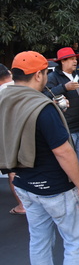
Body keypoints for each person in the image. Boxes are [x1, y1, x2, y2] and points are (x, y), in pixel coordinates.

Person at [0, 51, 79, 265]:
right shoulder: (42, 106)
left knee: (39, 241)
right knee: (76, 241)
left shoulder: (4, 100)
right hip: (55, 187)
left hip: (22, 183)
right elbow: (63, 151)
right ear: (40, 74)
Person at [44, 47, 79, 185]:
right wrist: (64, 87)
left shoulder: (77, 76)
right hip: (67, 128)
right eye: (71, 59)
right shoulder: (53, 77)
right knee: (69, 163)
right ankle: (70, 189)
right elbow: (45, 95)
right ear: (62, 62)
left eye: (75, 58)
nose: (75, 61)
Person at [0, 64, 25, 215]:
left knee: (12, 172)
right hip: (29, 138)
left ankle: (22, 205)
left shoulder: (2, 93)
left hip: (8, 140)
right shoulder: (25, 88)